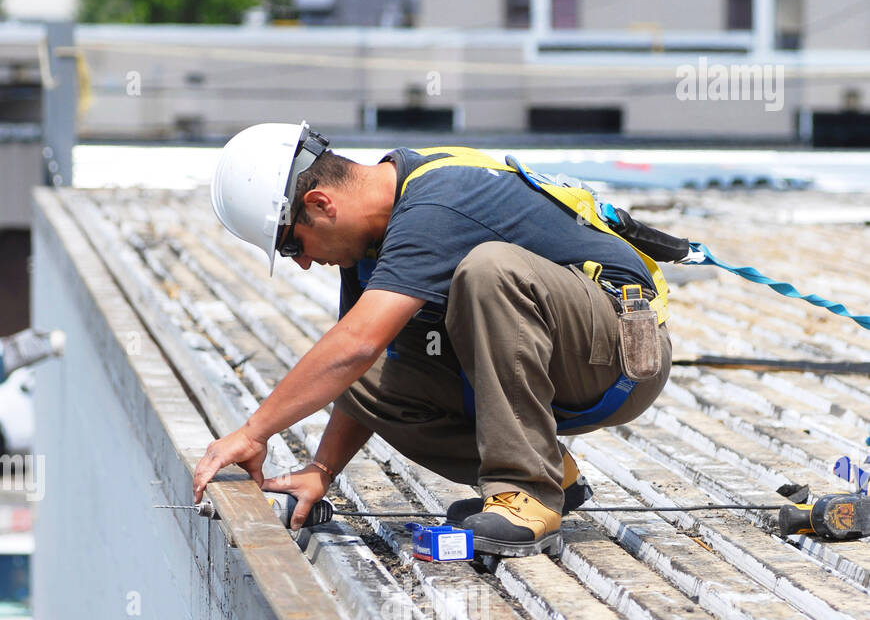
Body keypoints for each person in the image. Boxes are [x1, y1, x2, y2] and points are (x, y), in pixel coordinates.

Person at [194, 121, 672, 554]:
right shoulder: (374, 239)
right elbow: (360, 363)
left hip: (622, 352)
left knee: (490, 270)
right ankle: (554, 477)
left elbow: (357, 342)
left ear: (320, 204)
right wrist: (321, 472)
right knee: (358, 378)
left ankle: (527, 493)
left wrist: (253, 432)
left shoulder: (434, 203)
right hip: (561, 356)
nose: (301, 262)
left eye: (292, 244)